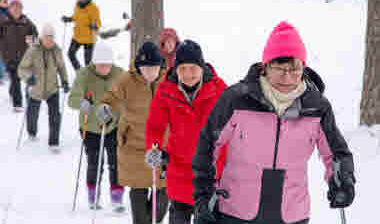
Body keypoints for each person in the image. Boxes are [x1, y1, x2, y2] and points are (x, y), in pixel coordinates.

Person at [192, 22, 356, 224]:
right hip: (236, 212)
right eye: (279, 67)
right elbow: (208, 143)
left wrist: (343, 181)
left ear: (303, 68)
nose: (287, 76)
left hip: (292, 214)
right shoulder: (237, 100)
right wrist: (204, 191)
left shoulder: (316, 108)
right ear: (266, 66)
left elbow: (337, 153)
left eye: (294, 68)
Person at [145, 40, 227, 224]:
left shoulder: (219, 89)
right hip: (179, 168)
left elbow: (234, 123)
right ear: (176, 69)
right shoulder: (166, 90)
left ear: (202, 67)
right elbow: (155, 126)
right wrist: (154, 148)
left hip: (209, 171)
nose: (188, 74)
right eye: (182, 69)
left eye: (193, 68)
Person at [98, 41, 169, 224]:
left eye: (153, 68)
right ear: (138, 66)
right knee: (138, 192)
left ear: (159, 66)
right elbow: (111, 97)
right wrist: (105, 108)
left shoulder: (168, 80)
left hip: (162, 146)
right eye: (145, 68)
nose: (150, 73)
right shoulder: (126, 80)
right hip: (134, 145)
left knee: (161, 201)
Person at [68, 42, 124, 210]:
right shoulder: (84, 74)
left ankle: (117, 198)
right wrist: (83, 102)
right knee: (95, 163)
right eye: (100, 65)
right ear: (94, 63)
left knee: (116, 162)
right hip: (90, 126)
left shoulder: (120, 74)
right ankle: (93, 196)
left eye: (107, 64)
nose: (104, 68)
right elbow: (72, 99)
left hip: (113, 125)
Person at [18, 24, 69, 152]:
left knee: (55, 115)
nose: (49, 41)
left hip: (52, 88)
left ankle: (54, 142)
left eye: (51, 38)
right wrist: (28, 78)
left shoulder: (57, 50)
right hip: (36, 88)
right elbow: (22, 68)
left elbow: (62, 67)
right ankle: (32, 132)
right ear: (42, 37)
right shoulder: (33, 50)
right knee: (32, 114)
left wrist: (65, 81)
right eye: (47, 38)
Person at [0, 0, 38, 112]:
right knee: (15, 77)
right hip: (8, 56)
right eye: (14, 8)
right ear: (10, 9)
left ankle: (12, 91)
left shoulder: (26, 22)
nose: (16, 10)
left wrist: (32, 40)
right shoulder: (3, 21)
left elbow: (35, 36)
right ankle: (18, 104)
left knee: (17, 78)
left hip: (23, 56)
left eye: (19, 8)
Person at [62, 0, 101, 71]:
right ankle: (79, 71)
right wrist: (69, 19)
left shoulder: (93, 8)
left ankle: (88, 78)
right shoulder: (77, 5)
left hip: (89, 39)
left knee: (88, 63)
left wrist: (95, 26)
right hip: (77, 36)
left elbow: (98, 23)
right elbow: (76, 17)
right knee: (70, 54)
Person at [0, 0, 9, 84]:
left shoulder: (8, 11)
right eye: (4, 0)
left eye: (7, 0)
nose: (6, 2)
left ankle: (5, 72)